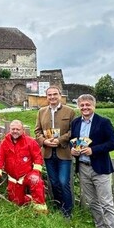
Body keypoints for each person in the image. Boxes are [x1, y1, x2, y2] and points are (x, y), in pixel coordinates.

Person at [70, 94, 114, 228]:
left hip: (100, 168)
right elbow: (73, 141)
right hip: (83, 167)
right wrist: (72, 150)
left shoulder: (103, 122)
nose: (85, 107)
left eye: (88, 105)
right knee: (92, 202)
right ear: (79, 107)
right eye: (82, 105)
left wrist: (93, 150)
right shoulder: (76, 123)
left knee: (106, 203)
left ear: (94, 106)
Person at [34, 85, 75, 217]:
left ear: (60, 95)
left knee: (63, 182)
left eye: (55, 94)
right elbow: (37, 131)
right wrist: (44, 141)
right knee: (54, 182)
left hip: (64, 152)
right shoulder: (41, 112)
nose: (52, 97)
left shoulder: (70, 112)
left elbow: (73, 131)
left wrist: (60, 140)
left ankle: (67, 211)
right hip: (48, 153)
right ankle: (59, 206)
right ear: (47, 97)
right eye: (49, 95)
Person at [0, 120, 48, 213]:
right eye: (13, 129)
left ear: (22, 130)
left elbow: (38, 158)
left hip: (27, 174)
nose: (15, 131)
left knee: (36, 180)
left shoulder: (30, 142)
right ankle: (30, 198)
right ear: (9, 129)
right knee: (16, 202)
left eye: (17, 129)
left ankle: (41, 211)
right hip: (13, 178)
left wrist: (35, 172)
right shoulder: (4, 143)